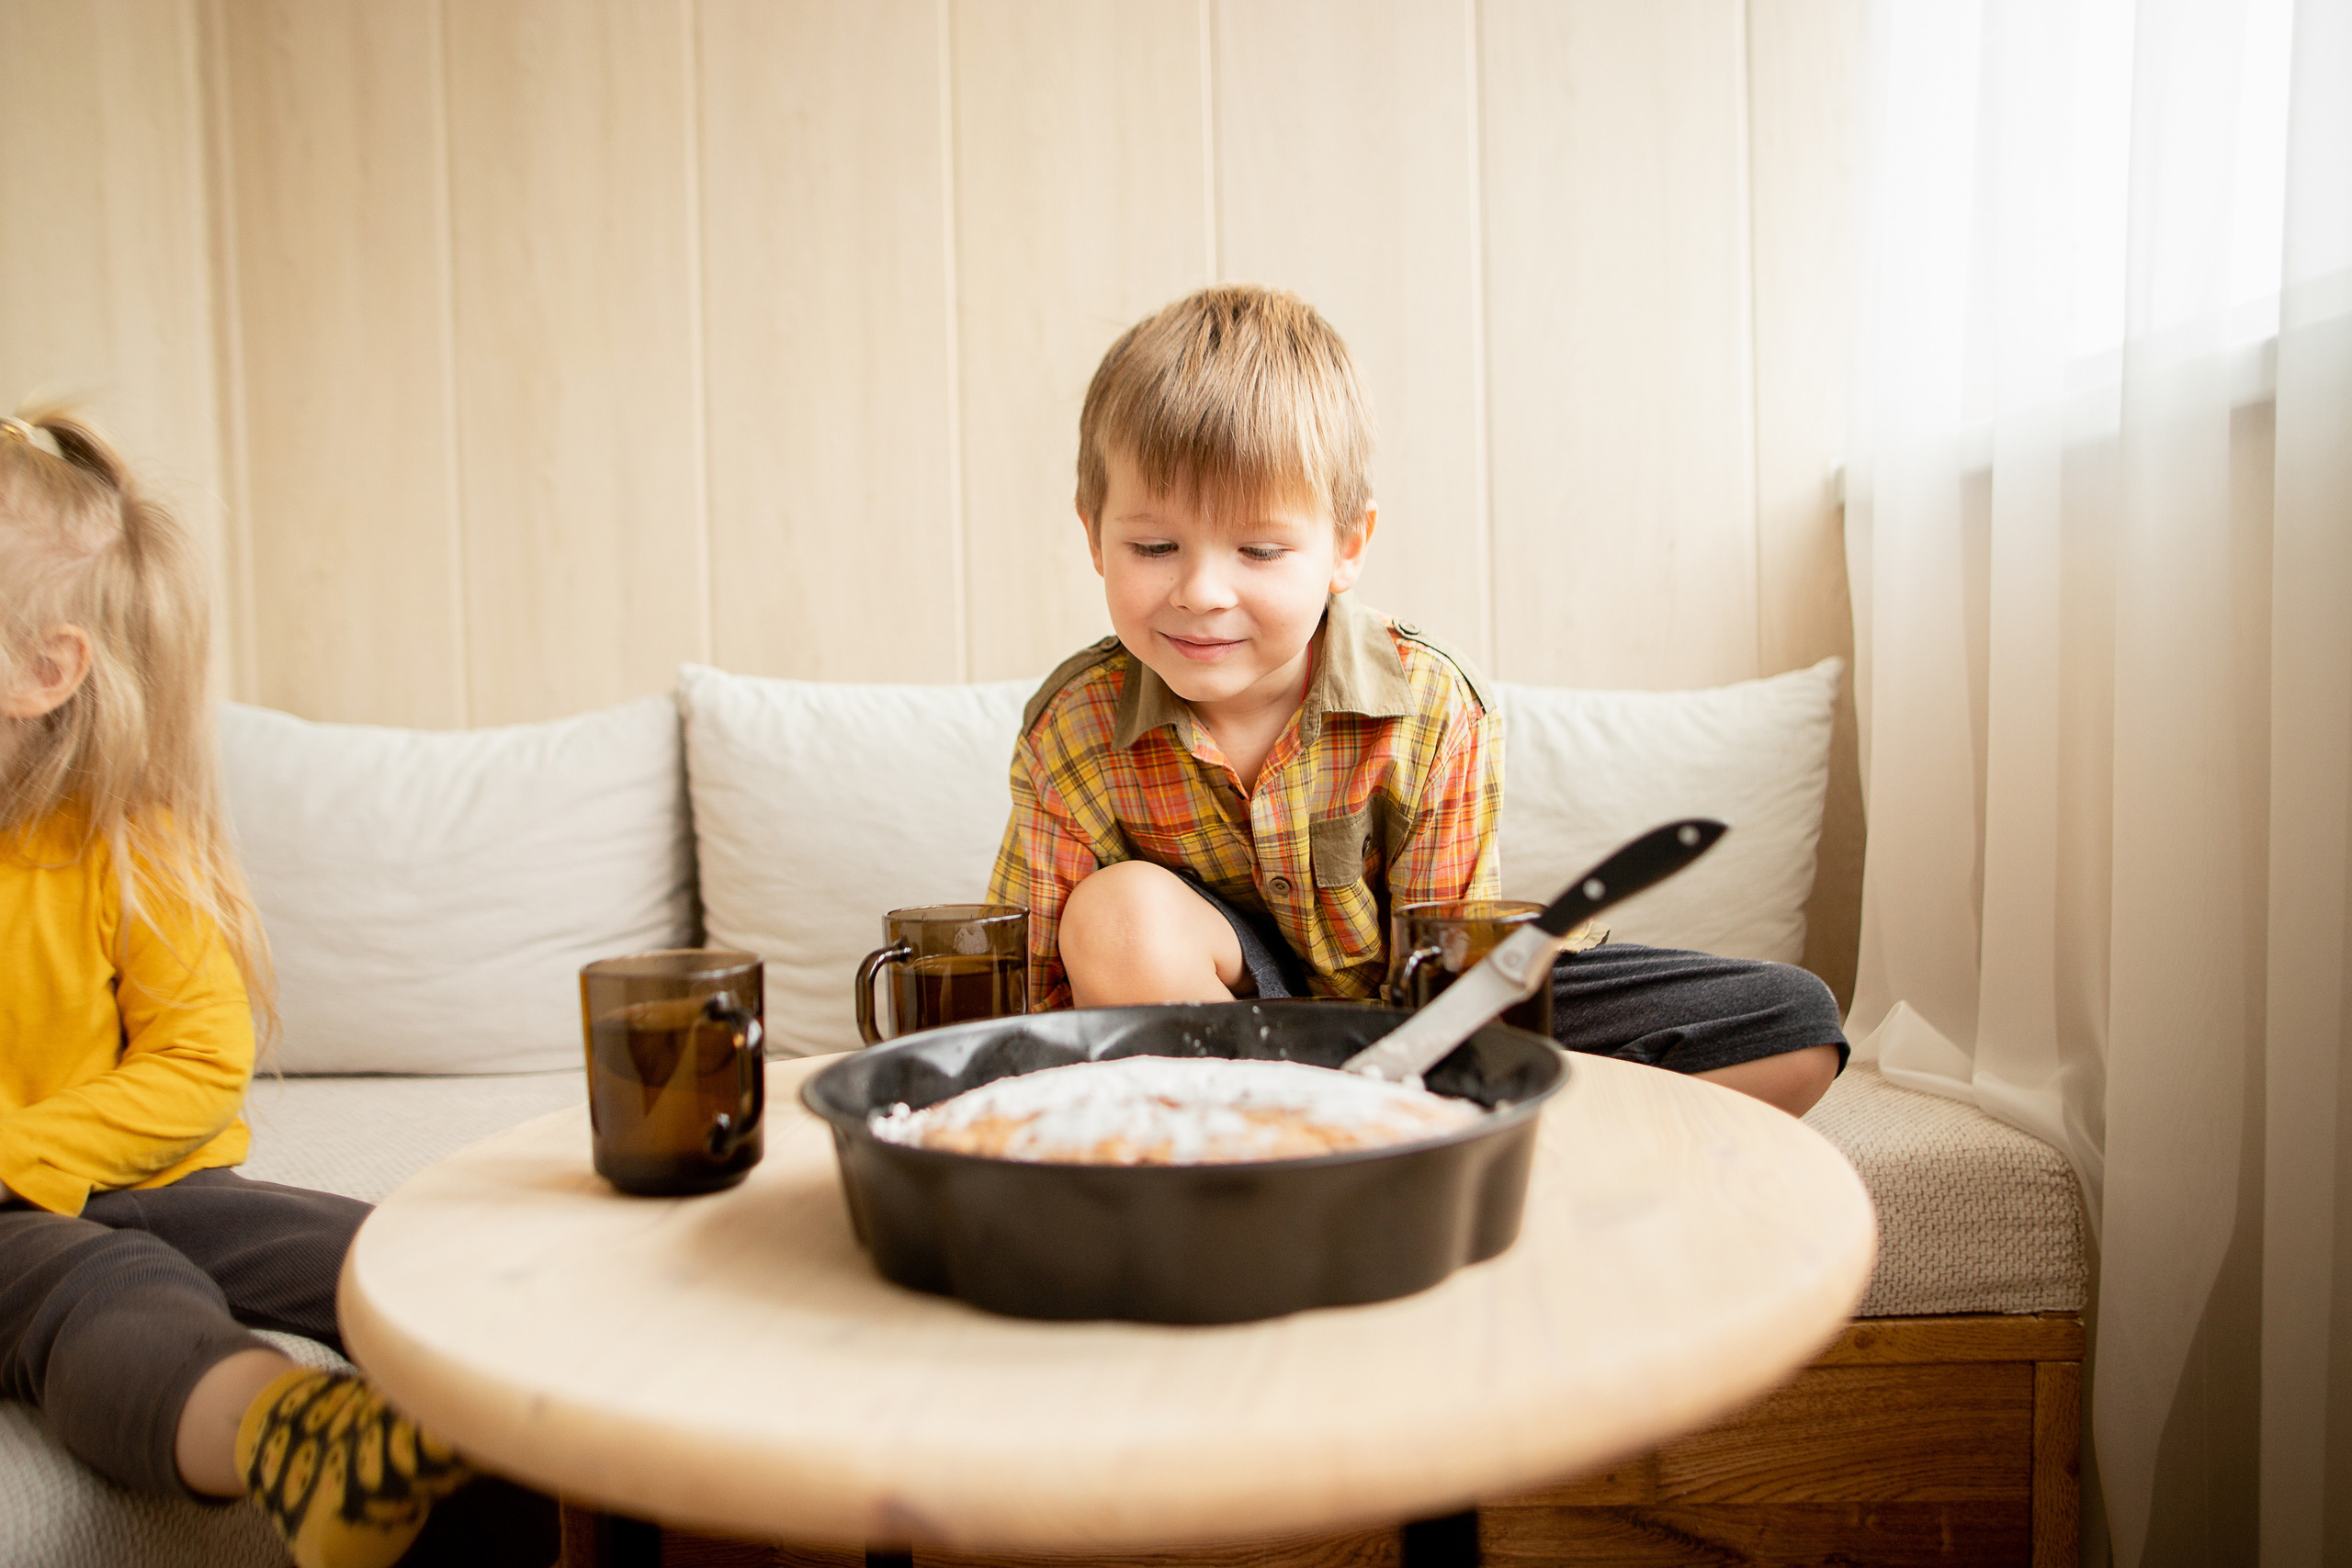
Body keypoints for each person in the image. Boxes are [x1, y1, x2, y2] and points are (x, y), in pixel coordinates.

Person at [985, 287, 1845, 1116]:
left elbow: (1460, 980)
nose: (1203, 590)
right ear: (1095, 536)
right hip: (1233, 1033)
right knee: (1120, 918)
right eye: (1155, 544)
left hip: (1430, 1009)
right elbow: (1029, 987)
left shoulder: (1430, 704)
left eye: (1258, 548)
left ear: (1345, 548)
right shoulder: (1075, 725)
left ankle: (1435, 1131)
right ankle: (1280, 1132)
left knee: (1793, 1027)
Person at [0, 407, 554, 1567]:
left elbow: (198, 1065)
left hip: (144, 1176)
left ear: (45, 671)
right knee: (105, 1287)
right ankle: (286, 1433)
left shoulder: (126, 838)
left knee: (404, 1259)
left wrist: (30, 1152)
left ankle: (532, 1499)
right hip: (20, 1231)